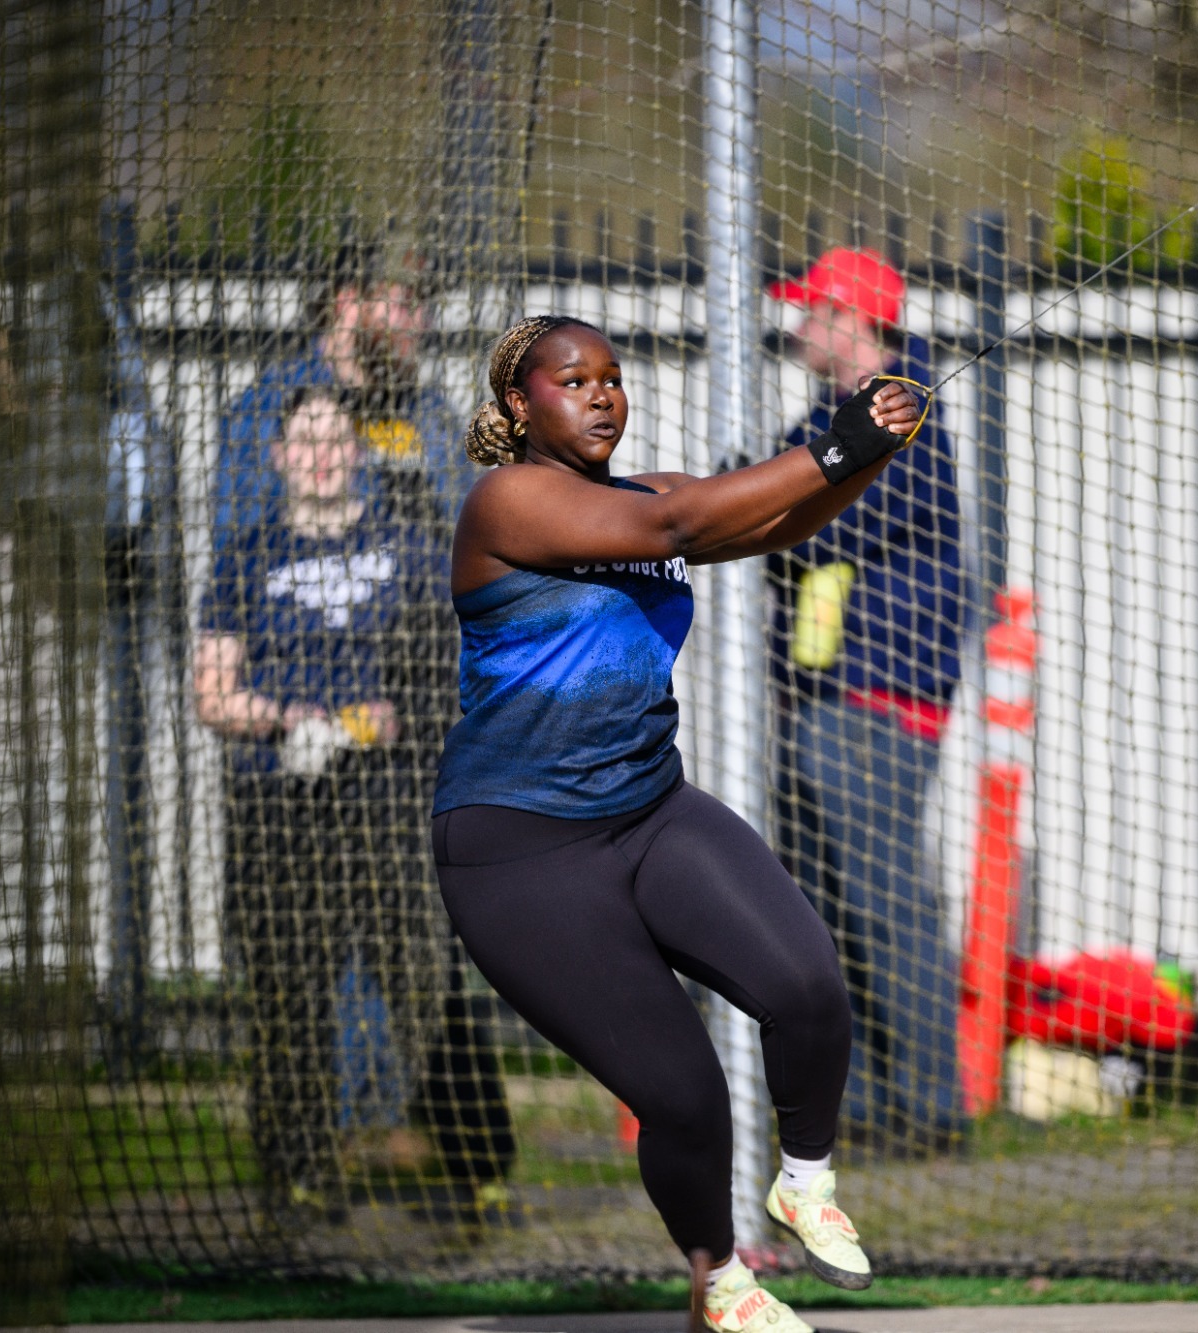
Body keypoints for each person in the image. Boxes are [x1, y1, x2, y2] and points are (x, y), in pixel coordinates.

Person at [435, 315, 924, 1332]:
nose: (604, 395)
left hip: (649, 808)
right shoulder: (508, 500)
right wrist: (833, 441)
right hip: (521, 851)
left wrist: (862, 456)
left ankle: (803, 1181)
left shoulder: (641, 493)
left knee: (805, 986)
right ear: (522, 405)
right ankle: (718, 1280)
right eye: (576, 381)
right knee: (687, 1097)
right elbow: (681, 530)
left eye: (614, 378)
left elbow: (765, 528)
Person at [195, 387, 512, 1224]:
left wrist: (384, 719)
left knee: (425, 978)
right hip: (281, 799)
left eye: (336, 437)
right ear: (278, 455)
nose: (322, 452)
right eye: (304, 439)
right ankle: (298, 1172)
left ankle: (479, 1168)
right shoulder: (244, 555)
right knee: (289, 989)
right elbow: (213, 692)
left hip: (392, 795)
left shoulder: (410, 549)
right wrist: (286, 722)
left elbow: (454, 667)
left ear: (359, 450)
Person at [765, 249, 968, 1153]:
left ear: (851, 318)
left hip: (877, 698)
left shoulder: (897, 407)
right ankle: (880, 1102)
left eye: (812, 312)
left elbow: (815, 521)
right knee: (829, 911)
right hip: (823, 694)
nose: (798, 328)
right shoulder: (834, 414)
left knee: (886, 904)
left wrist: (747, 497)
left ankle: (929, 1107)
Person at [215, 254, 466, 543]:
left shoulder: (429, 411)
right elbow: (237, 553)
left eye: (426, 308)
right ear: (347, 303)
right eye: (406, 305)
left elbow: (461, 527)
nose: (421, 324)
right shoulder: (269, 408)